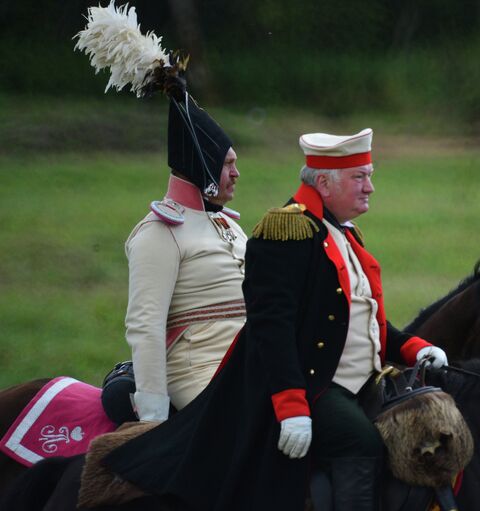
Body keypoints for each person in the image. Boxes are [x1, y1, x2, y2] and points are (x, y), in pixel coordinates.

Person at [103, 128, 448, 511]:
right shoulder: (281, 231)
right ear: (323, 182)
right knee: (359, 442)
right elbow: (269, 327)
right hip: (256, 374)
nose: (370, 188)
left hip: (329, 373)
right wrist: (290, 405)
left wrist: (414, 347)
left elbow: (356, 317)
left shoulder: (333, 233)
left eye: (369, 176)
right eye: (359, 177)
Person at [115, 97, 247, 423]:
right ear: (203, 165)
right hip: (197, 371)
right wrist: (153, 413)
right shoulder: (158, 233)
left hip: (252, 363)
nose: (236, 173)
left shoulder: (227, 223)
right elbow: (145, 326)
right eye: (227, 164)